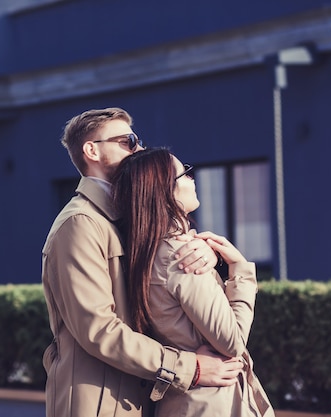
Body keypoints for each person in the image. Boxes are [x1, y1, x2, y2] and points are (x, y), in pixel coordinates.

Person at [41, 108, 246, 417]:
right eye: (128, 141)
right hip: (101, 404)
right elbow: (98, 329)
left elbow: (163, 274)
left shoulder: (125, 218)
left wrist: (206, 251)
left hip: (141, 397)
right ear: (91, 150)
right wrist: (190, 368)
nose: (138, 148)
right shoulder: (80, 223)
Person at [110, 147, 274, 417]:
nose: (192, 178)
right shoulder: (180, 256)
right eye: (184, 174)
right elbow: (232, 342)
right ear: (165, 190)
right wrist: (240, 270)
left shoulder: (148, 251)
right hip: (212, 403)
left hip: (187, 400)